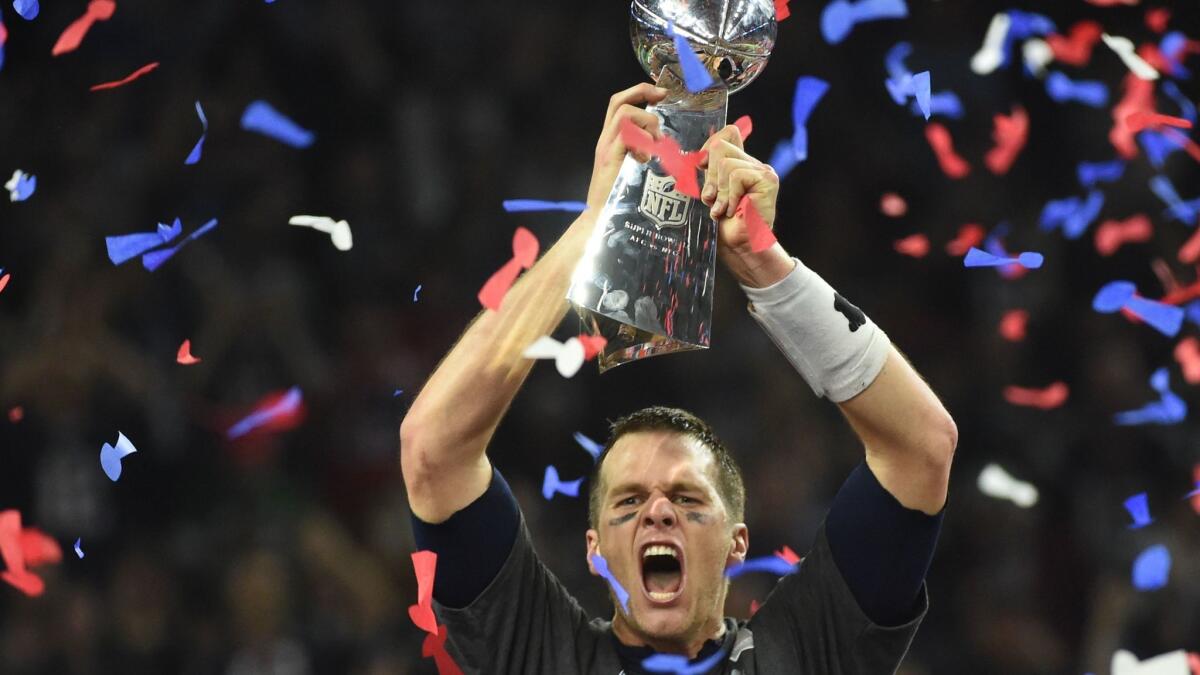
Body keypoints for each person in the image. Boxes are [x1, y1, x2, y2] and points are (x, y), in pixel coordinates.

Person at [400, 83, 958, 674]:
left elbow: (921, 447)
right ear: (596, 552)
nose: (658, 513)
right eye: (628, 501)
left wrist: (765, 265)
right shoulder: (545, 656)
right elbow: (433, 450)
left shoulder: (798, 654)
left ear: (736, 543)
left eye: (689, 499)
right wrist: (595, 228)